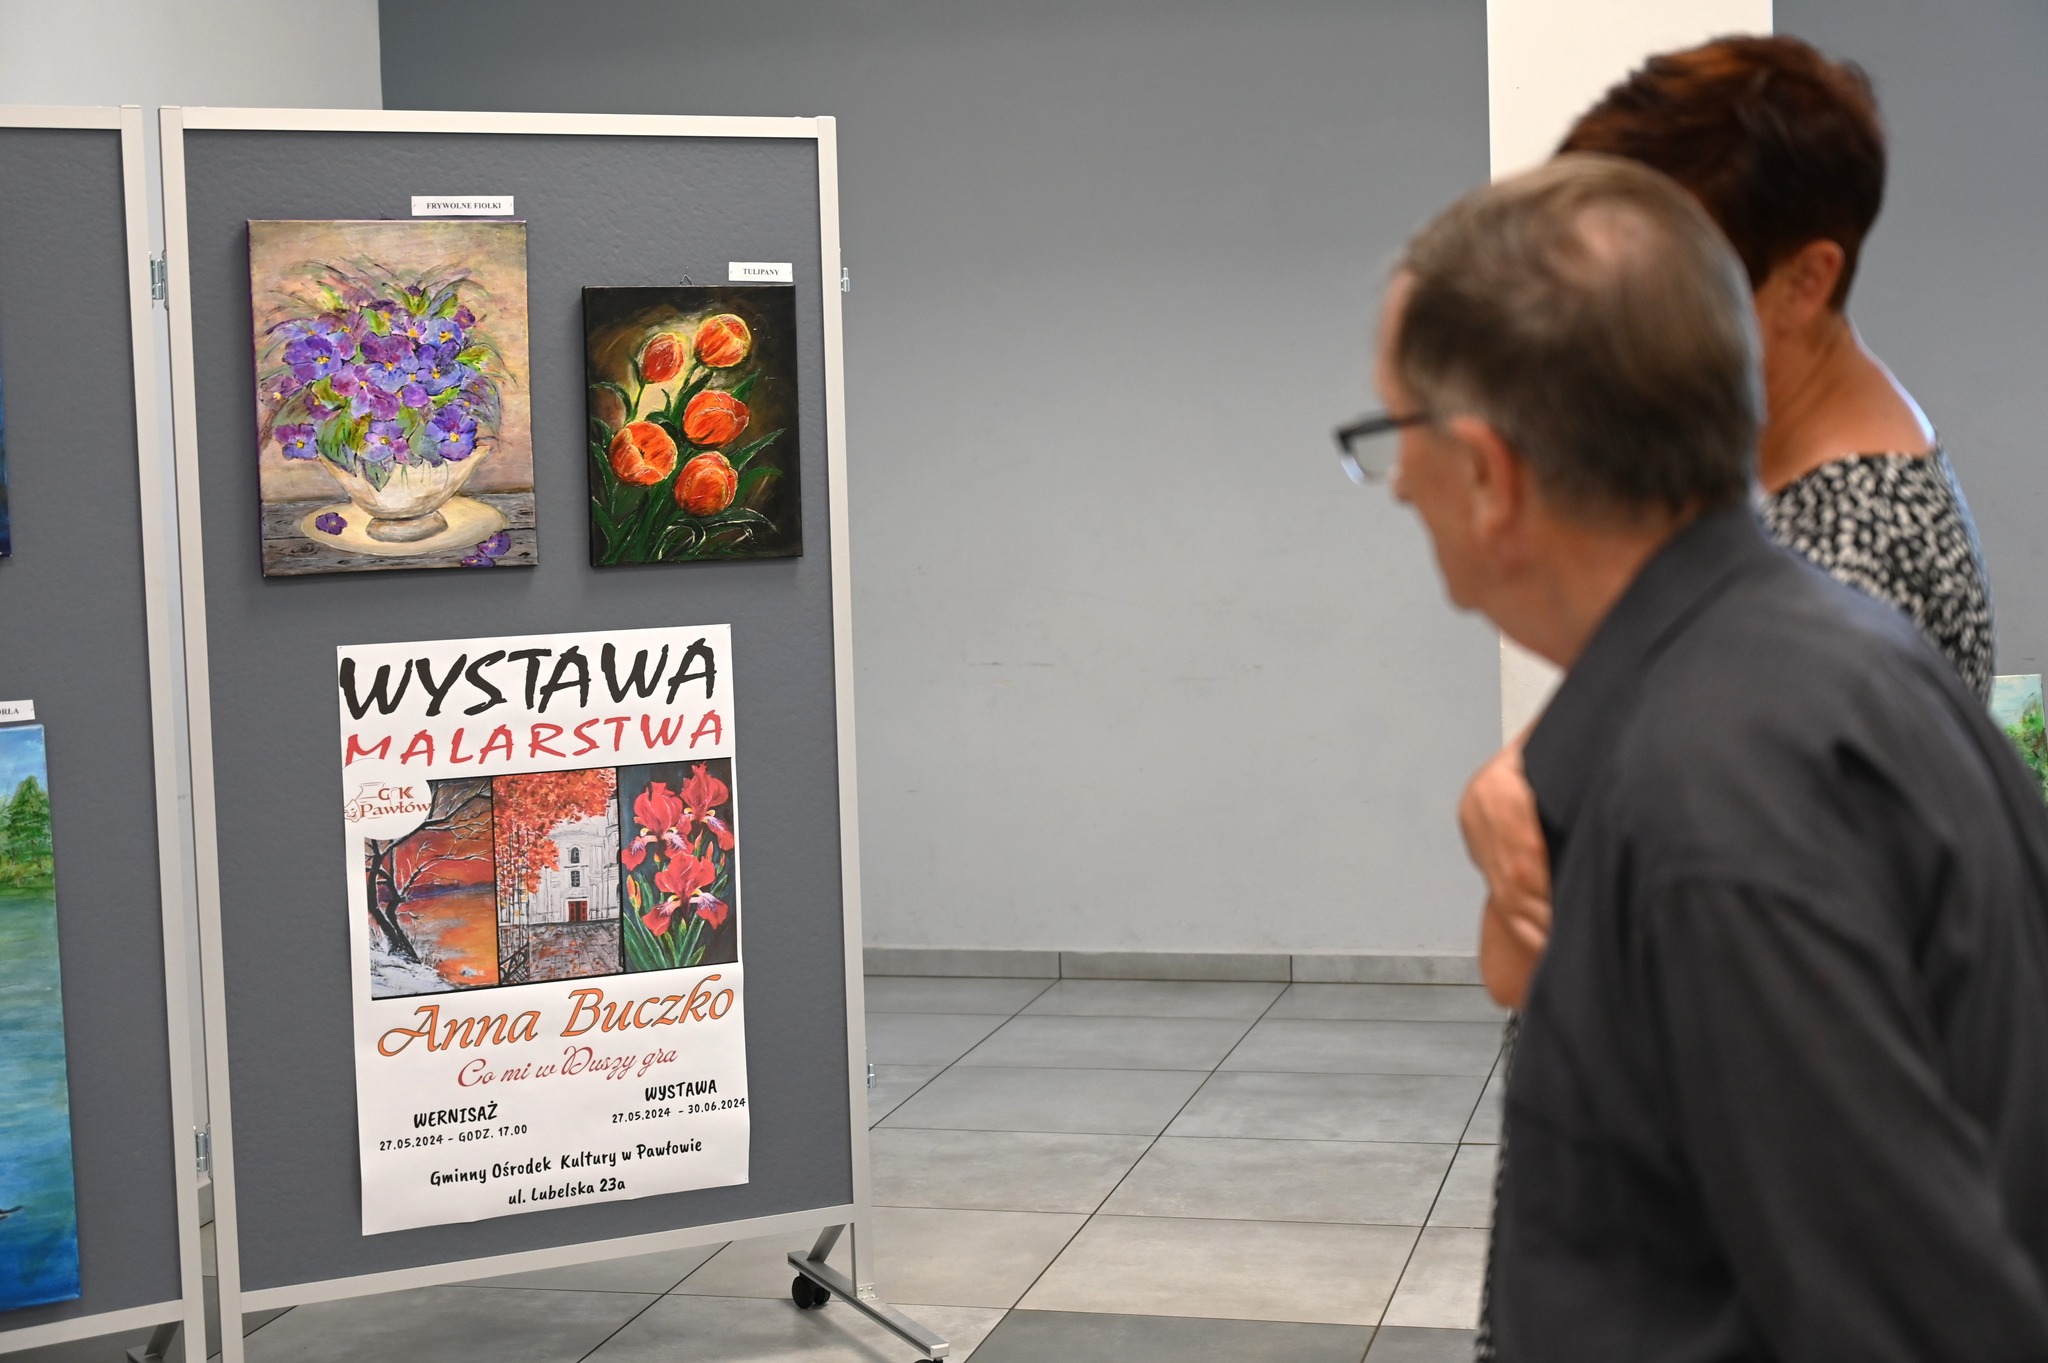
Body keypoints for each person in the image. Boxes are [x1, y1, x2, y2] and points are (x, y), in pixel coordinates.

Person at [1366, 153, 2048, 1360]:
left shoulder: (1717, 798)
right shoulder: (1826, 667)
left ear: (1487, 473)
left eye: (1392, 434)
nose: (1391, 487)